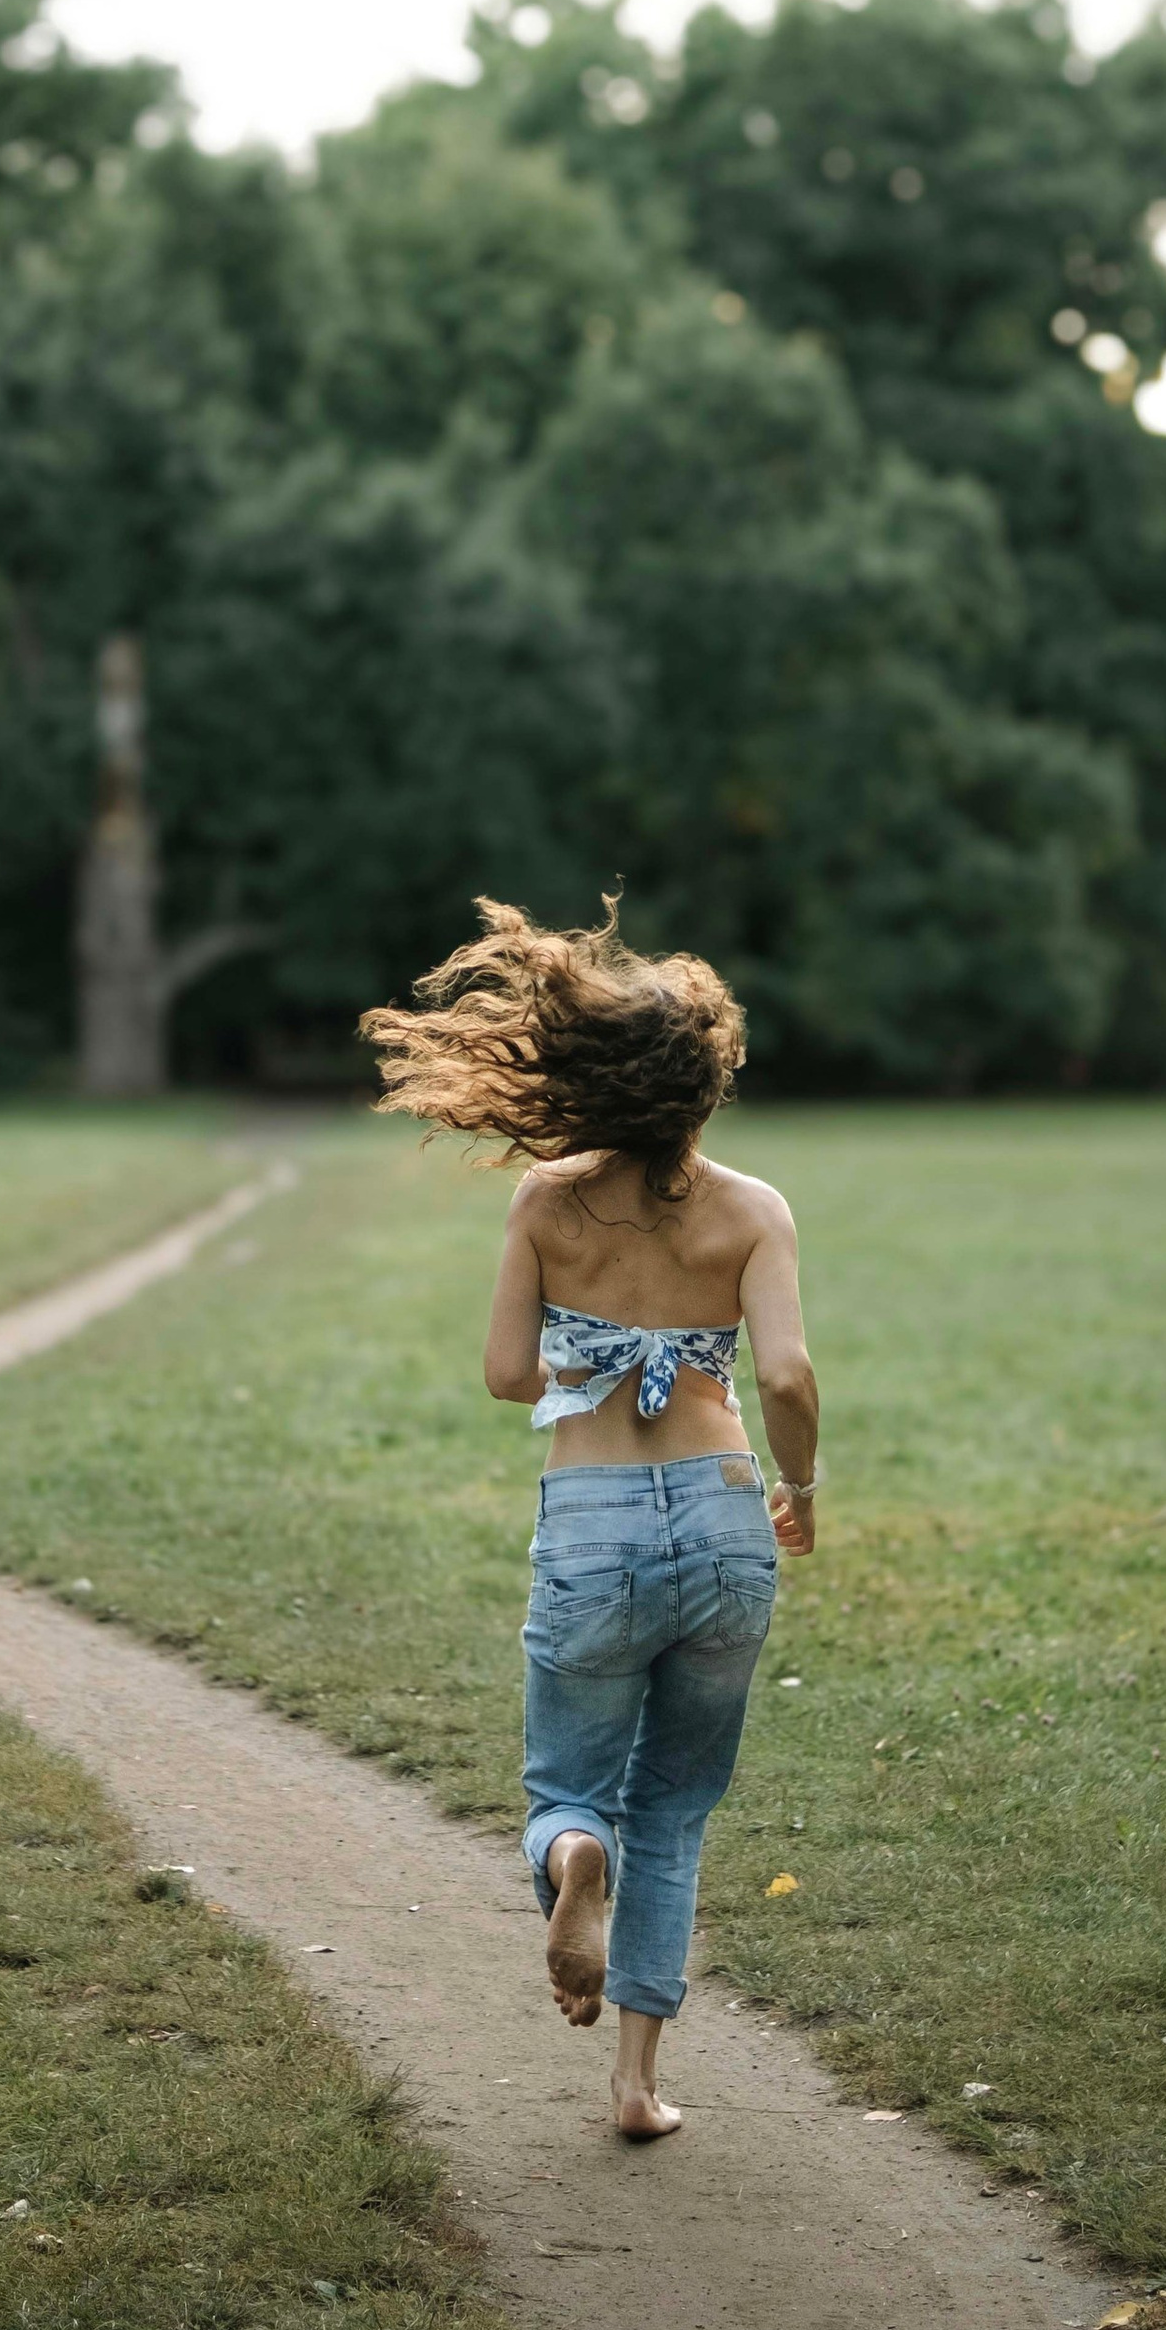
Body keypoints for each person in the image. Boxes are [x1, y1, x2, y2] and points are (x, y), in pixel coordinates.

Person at [363, 897, 819, 2141]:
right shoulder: (753, 1210)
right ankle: (636, 2085)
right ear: (707, 1085)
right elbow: (785, 1377)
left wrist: (594, 1354)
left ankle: (574, 1862)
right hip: (725, 1518)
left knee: (572, 1786)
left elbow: (506, 1376)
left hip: (591, 1523)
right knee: (672, 1807)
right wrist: (803, 1489)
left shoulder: (546, 1203)